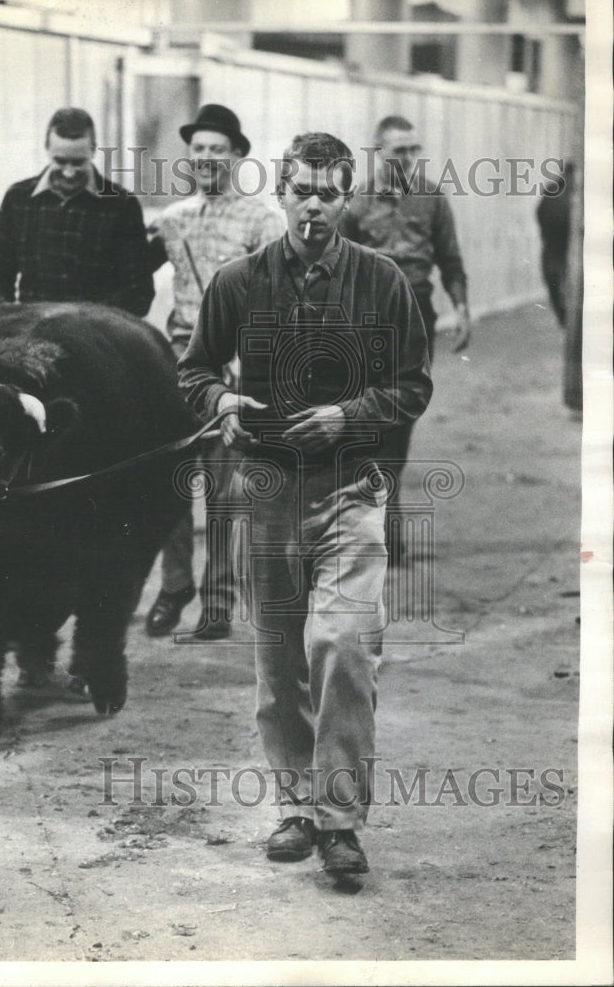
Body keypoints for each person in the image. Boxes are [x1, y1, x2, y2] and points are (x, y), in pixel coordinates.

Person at [178, 133, 432, 879]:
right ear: (281, 193)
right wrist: (221, 397)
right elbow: (192, 371)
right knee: (279, 660)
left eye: (327, 192)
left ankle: (340, 821)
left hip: (351, 493)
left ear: (345, 198)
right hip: (268, 497)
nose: (313, 205)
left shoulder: (382, 281)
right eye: (301, 190)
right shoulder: (239, 280)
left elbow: (412, 386)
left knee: (344, 647)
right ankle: (295, 809)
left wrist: (348, 417)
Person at [144, 105, 284, 640]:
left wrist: (252, 373)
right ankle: (174, 584)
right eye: (198, 149)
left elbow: (275, 302)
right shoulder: (173, 218)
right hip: (180, 363)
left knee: (227, 491)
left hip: (233, 368)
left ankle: (218, 602)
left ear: (237, 156)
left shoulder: (263, 219)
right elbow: (135, 274)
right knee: (170, 482)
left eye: (217, 150)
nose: (206, 158)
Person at [338, 114, 469, 555]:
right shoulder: (355, 202)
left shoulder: (431, 197)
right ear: (379, 153)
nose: (410, 158)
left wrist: (462, 309)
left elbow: (450, 257)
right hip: (366, 319)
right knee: (367, 418)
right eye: (400, 151)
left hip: (415, 314)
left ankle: (385, 514)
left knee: (403, 413)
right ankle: (371, 521)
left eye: (415, 149)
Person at [0, 107, 154, 317]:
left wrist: (92, 325)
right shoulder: (18, 199)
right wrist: (12, 321)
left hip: (97, 336)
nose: (69, 172)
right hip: (33, 332)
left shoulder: (121, 206)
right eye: (60, 161)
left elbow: (138, 291)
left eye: (78, 162)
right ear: (47, 149)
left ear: (93, 150)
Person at [536, 161, 573, 328]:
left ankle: (565, 318)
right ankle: (566, 319)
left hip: (555, 245)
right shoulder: (559, 192)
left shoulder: (553, 190)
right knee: (556, 283)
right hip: (559, 244)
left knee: (554, 282)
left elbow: (539, 213)